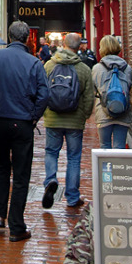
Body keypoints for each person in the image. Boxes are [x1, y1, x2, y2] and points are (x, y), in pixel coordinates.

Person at [0, 20, 50, 242]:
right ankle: (16, 226)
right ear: (27, 37)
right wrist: (33, 116)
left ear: (9, 37)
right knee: (21, 174)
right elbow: (44, 95)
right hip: (22, 123)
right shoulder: (34, 63)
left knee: (0, 167)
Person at [42, 32, 95, 210]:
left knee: (51, 152)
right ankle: (72, 197)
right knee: (73, 158)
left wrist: (44, 113)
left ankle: (50, 180)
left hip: (53, 119)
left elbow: (41, 90)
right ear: (79, 46)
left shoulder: (49, 65)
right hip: (74, 121)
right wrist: (84, 116)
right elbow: (89, 97)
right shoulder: (84, 69)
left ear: (63, 44)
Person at [92, 34, 132, 149]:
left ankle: (106, 167)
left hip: (103, 113)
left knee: (105, 146)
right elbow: (129, 87)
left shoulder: (97, 68)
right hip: (122, 111)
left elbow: (94, 91)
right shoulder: (127, 68)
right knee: (119, 147)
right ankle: (118, 167)